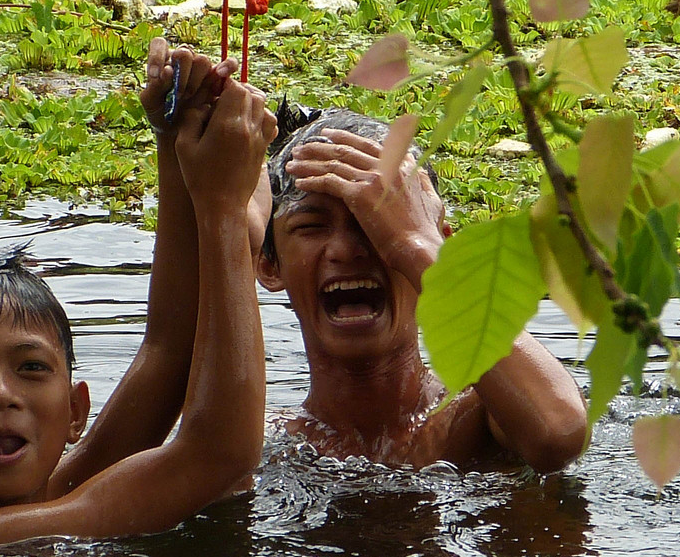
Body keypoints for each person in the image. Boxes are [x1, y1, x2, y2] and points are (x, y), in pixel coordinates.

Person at [0, 49, 273, 547]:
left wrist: (174, 137)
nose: (1, 394)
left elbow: (170, 350)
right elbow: (219, 455)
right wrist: (222, 210)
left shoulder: (60, 491)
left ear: (75, 412)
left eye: (31, 368)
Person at [252, 104, 589, 471]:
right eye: (311, 227)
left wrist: (414, 244)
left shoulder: (478, 414)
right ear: (268, 265)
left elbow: (559, 432)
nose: (346, 250)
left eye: (376, 222)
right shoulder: (264, 446)